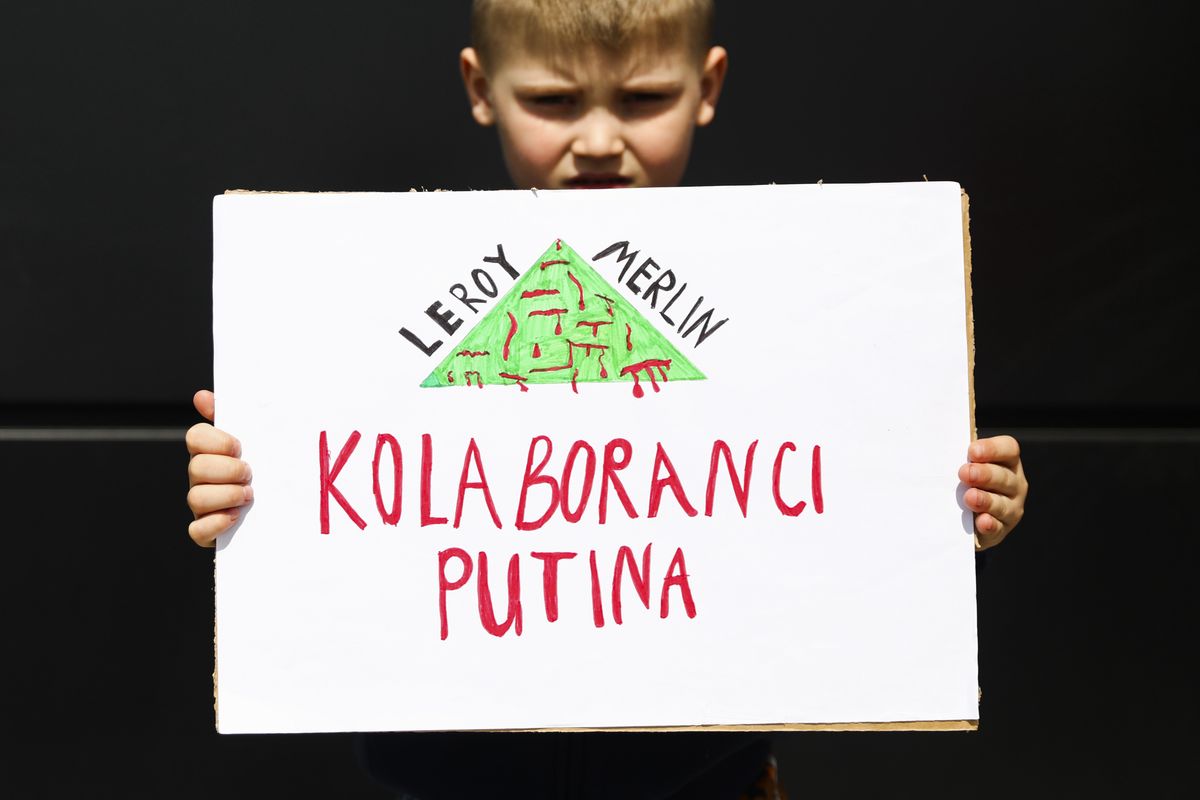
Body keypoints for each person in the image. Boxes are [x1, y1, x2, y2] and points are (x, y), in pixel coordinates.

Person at [185, 1, 1029, 796]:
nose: (598, 140)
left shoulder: (792, 307)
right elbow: (333, 514)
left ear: (710, 86)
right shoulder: (363, 308)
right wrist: (253, 491)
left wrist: (956, 499)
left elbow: (852, 497)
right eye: (553, 100)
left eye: (643, 98)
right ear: (482, 89)